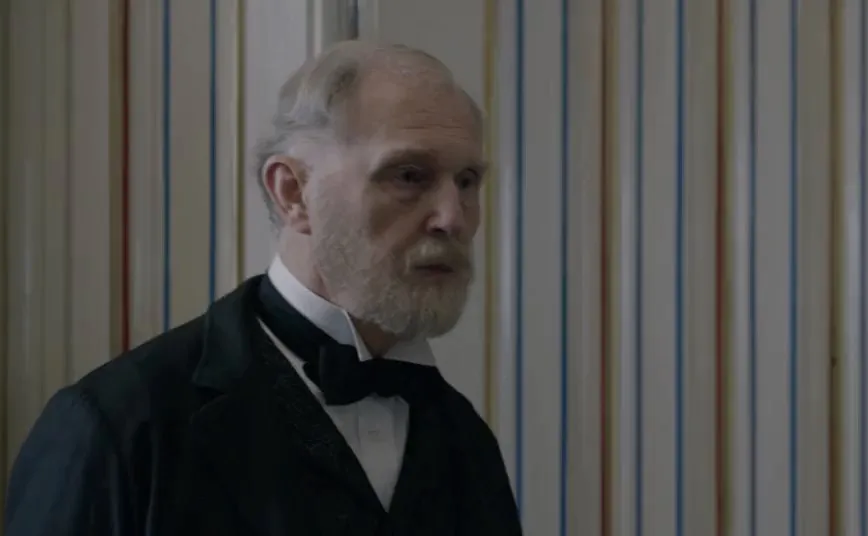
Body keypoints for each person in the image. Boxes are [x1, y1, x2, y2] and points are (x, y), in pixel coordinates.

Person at [3, 41, 521, 535]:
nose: (453, 217)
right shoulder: (118, 428)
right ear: (293, 192)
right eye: (409, 175)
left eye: (467, 181)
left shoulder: (465, 440)